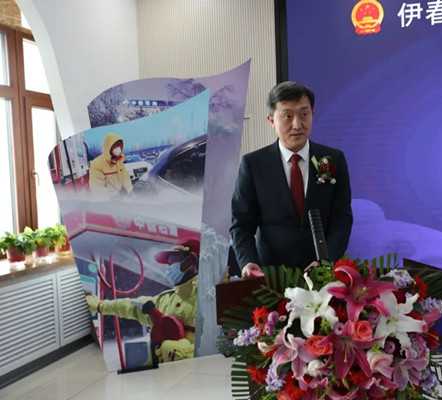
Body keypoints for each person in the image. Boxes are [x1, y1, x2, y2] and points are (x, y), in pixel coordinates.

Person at [230, 81, 353, 278]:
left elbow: (342, 218)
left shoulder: (332, 160)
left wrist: (326, 261)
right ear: (272, 120)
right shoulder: (254, 164)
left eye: (304, 114)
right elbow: (241, 224)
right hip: (271, 277)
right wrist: (248, 261)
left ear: (313, 114)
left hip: (322, 274)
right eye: (287, 116)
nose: (297, 124)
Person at [86, 238, 200, 364]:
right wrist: (100, 305)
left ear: (191, 261)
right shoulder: (165, 300)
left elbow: (216, 344)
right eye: (168, 262)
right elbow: (131, 306)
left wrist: (187, 353)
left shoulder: (208, 300)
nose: (168, 267)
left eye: (173, 260)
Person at [89, 133, 133, 197]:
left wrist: (128, 188)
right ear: (108, 147)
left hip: (123, 196)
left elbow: (125, 175)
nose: (117, 148)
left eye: (118, 145)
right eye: (114, 146)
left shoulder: (119, 161)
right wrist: (115, 195)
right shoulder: (97, 164)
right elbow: (97, 188)